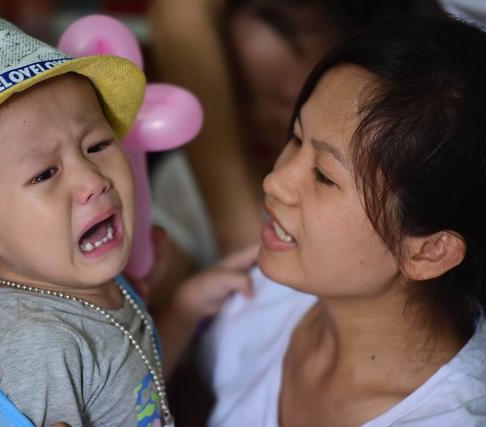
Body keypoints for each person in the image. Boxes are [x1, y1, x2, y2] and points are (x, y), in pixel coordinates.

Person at [0, 11, 254, 427]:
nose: (92, 180)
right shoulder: (36, 347)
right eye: (45, 173)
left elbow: (130, 393)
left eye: (96, 145)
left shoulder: (86, 286)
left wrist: (185, 307)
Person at [200, 15, 486, 426]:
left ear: (429, 251)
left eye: (323, 176)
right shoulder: (269, 290)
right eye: (296, 138)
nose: (274, 181)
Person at [147, 0, 431, 276]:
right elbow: (167, 267)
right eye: (239, 97)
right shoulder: (185, 176)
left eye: (284, 100)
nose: (258, 118)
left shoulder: (369, 197)